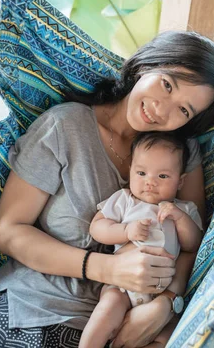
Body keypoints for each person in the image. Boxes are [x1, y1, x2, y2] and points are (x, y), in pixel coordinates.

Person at [0, 31, 214, 348]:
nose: (163, 109)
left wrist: (166, 302)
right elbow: (7, 231)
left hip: (131, 322)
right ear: (146, 65)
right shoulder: (66, 127)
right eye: (167, 84)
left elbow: (192, 243)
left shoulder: (180, 154)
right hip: (36, 307)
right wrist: (109, 269)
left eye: (184, 110)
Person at [80, 132, 203, 348]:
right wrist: (126, 231)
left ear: (180, 181)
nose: (150, 182)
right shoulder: (124, 200)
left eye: (162, 176)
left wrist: (180, 218)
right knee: (106, 311)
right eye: (141, 173)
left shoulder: (183, 209)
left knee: (168, 336)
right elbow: (97, 227)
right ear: (130, 172)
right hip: (121, 288)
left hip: (160, 292)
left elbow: (193, 245)